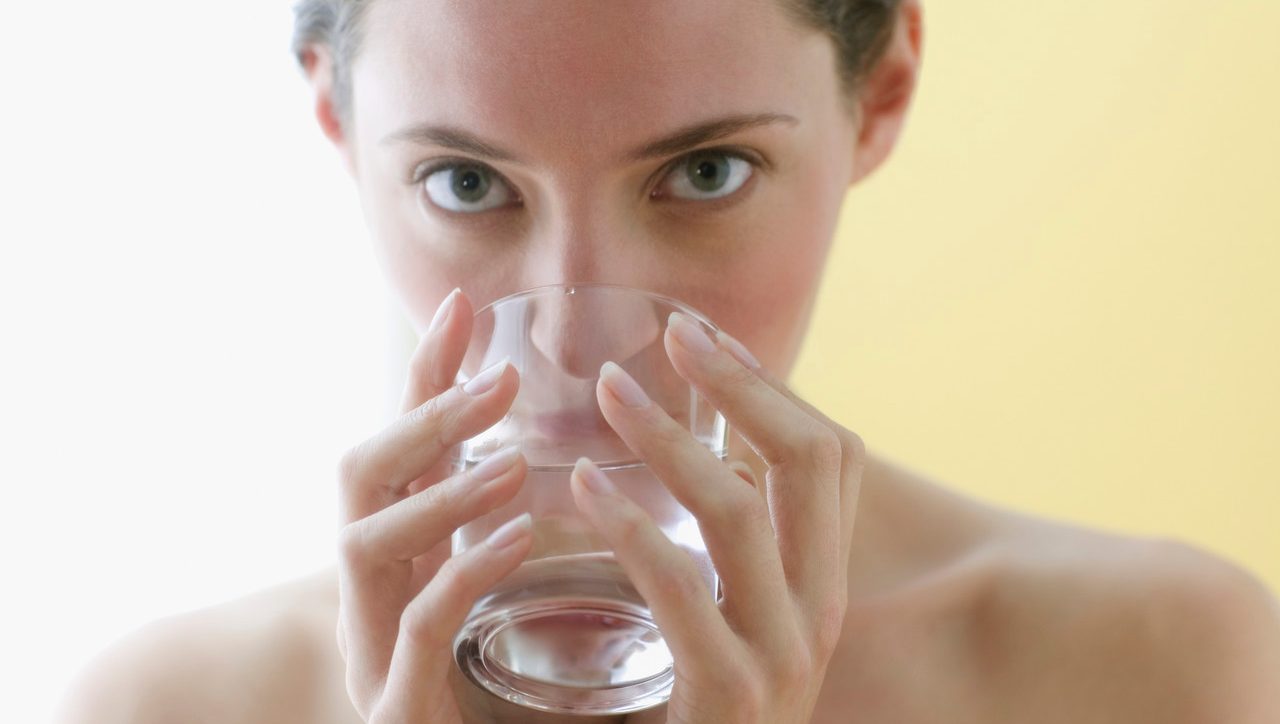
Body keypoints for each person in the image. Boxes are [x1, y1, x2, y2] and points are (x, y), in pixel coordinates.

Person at [56, 1, 1280, 722]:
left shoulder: (1151, 666)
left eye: (704, 172)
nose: (583, 345)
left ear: (882, 92)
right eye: (466, 183)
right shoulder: (165, 706)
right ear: (337, 122)